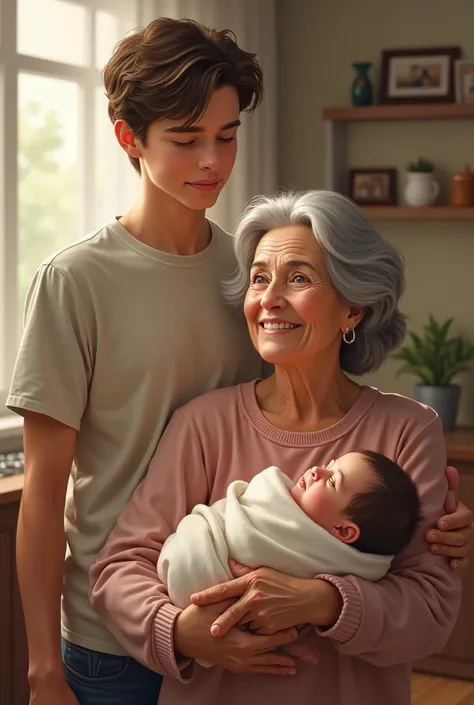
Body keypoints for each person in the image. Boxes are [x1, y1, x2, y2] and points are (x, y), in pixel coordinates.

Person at [90, 190, 473, 705]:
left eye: (298, 277)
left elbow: (429, 615)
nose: (269, 298)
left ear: (353, 308)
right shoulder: (204, 423)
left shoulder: (408, 430)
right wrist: (179, 629)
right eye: (259, 278)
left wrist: (320, 601)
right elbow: (119, 569)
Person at [7, 17, 270, 705]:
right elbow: (43, 497)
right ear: (130, 138)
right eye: (186, 140)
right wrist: (42, 669)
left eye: (227, 135)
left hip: (231, 617)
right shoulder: (75, 281)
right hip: (110, 644)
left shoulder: (252, 273)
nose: (212, 161)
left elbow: (295, 427)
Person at [158, 451, 422, 614]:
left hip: (192, 571)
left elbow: (244, 537)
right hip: (188, 597)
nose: (318, 470)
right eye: (330, 463)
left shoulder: (328, 563)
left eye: (332, 480)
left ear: (343, 530)